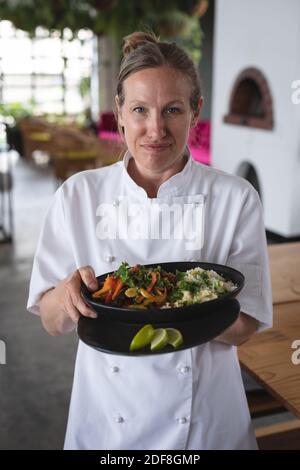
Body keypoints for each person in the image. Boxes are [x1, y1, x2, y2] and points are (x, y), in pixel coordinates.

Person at [27, 31, 272, 450]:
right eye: (140, 109)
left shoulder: (236, 199)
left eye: (172, 109)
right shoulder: (78, 195)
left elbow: (244, 326)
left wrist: (183, 305)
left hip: (204, 427)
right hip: (107, 424)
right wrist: (67, 299)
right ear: (119, 112)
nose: (155, 129)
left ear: (195, 112)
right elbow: (51, 320)